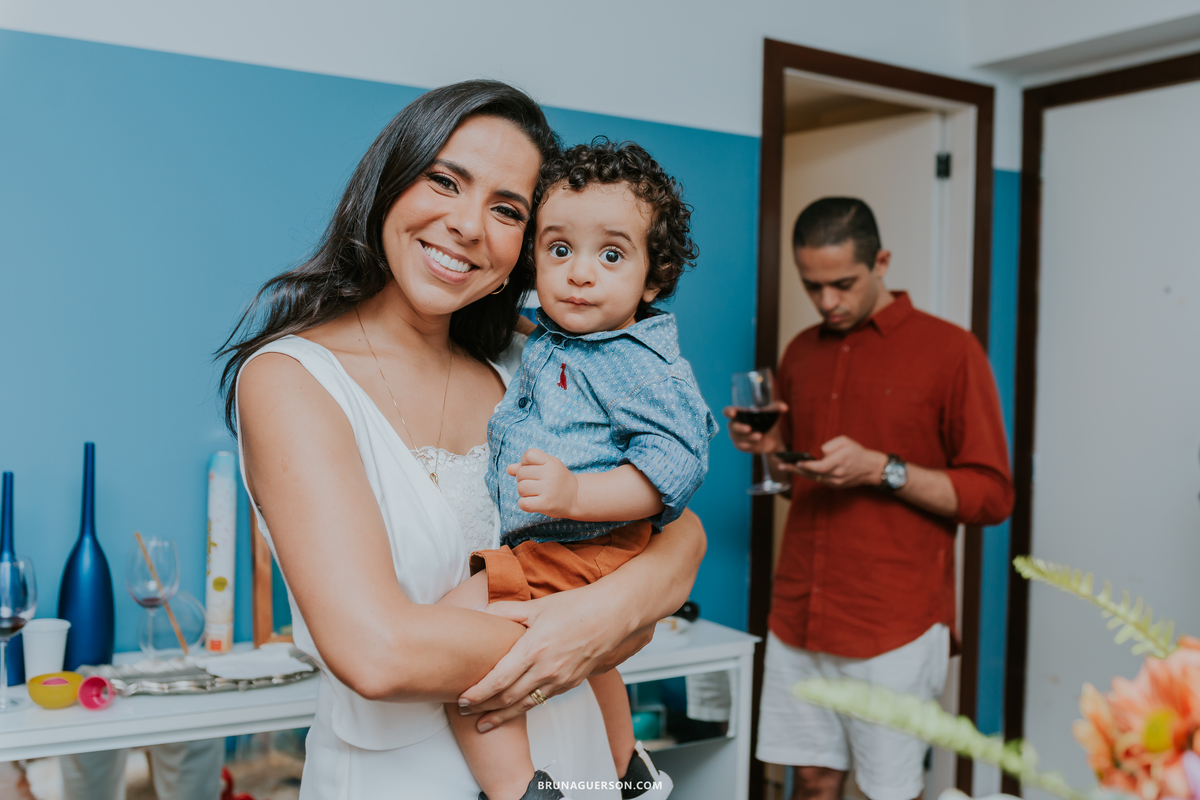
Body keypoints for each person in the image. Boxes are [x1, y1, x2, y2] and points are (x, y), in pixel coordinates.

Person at [221, 80, 706, 799]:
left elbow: (680, 530)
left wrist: (610, 613)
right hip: (402, 779)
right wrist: (604, 626)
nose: (468, 226)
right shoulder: (291, 380)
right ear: (389, 181)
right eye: (445, 180)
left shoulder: (534, 363)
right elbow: (379, 653)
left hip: (576, 760)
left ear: (527, 248)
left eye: (507, 209)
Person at [439, 140, 716, 800]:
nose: (580, 274)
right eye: (560, 250)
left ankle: (515, 789)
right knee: (596, 667)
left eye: (611, 255)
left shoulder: (636, 361)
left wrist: (575, 492)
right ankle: (628, 771)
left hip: (582, 544)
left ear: (654, 279)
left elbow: (675, 466)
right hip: (574, 544)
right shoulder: (555, 333)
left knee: (457, 637)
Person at [727, 197, 1013, 800]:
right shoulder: (802, 351)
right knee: (807, 779)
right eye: (812, 286)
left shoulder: (952, 351)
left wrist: (883, 469)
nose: (827, 301)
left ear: (881, 262)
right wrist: (774, 447)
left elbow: (992, 496)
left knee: (887, 791)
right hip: (801, 608)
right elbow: (801, 483)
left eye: (842, 284)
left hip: (895, 622)